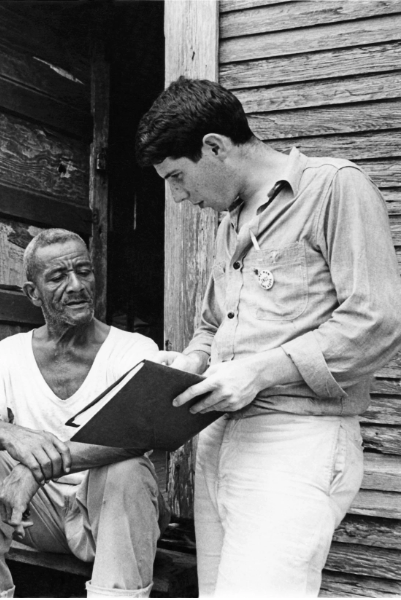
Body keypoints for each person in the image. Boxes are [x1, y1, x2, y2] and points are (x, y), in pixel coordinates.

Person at [135, 77, 401, 596]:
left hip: (294, 439)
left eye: (177, 177)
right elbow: (213, 325)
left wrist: (260, 370)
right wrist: (192, 360)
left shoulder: (334, 187)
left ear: (214, 147)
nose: (179, 196)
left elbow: (378, 320)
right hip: (217, 437)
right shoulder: (228, 222)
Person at [0, 229, 166, 599]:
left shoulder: (133, 349)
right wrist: (13, 436)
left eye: (84, 271)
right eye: (59, 277)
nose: (77, 285)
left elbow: (142, 435)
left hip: (106, 522)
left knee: (128, 469)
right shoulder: (10, 352)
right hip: (32, 518)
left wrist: (35, 467)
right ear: (32, 292)